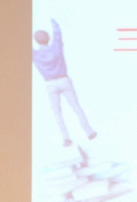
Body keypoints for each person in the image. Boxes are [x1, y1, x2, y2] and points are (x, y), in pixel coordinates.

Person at [33, 19, 97, 147]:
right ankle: (89, 132)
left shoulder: (35, 54)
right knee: (76, 107)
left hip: (49, 84)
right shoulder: (56, 47)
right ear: (48, 38)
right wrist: (53, 22)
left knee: (57, 112)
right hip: (64, 80)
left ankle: (66, 138)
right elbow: (58, 34)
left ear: (36, 41)